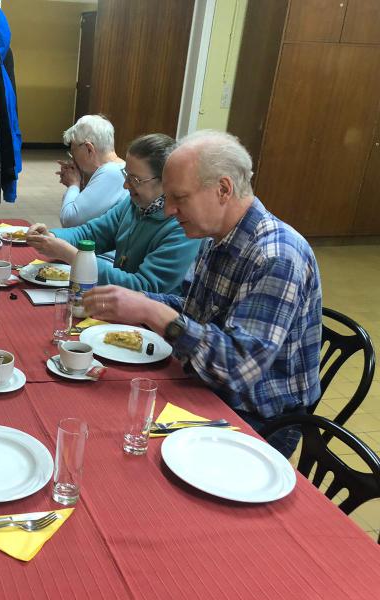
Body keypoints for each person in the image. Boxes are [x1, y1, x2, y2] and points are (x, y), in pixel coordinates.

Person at [83, 130, 322, 456]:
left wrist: (154, 313)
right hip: (207, 383)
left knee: (122, 442)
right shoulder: (217, 236)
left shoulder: (277, 256)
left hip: (257, 418)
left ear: (223, 189)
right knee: (100, 414)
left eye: (179, 198)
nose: (168, 211)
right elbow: (194, 311)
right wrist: (137, 301)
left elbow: (236, 369)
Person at [27, 134, 200, 294]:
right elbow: (92, 233)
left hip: (144, 322)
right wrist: (51, 237)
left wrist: (72, 256)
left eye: (135, 180)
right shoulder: (134, 204)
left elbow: (143, 288)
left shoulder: (182, 227)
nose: (125, 185)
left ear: (166, 181)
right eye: (126, 175)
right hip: (117, 304)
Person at [56, 115, 129, 228]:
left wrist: (73, 184)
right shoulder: (117, 167)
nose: (73, 160)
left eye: (73, 153)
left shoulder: (111, 173)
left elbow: (69, 220)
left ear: (89, 149)